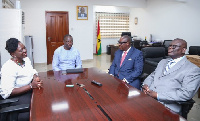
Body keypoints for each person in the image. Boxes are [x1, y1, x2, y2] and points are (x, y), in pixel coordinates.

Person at [142, 38, 200, 115]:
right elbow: (152, 76)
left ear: (183, 50)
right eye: (170, 46)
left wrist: (157, 95)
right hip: (147, 99)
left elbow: (186, 94)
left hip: (167, 106)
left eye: (174, 46)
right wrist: (145, 85)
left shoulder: (192, 69)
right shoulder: (163, 61)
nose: (170, 48)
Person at [0, 38, 43, 120]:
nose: (25, 50)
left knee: (43, 98)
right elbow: (7, 92)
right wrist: (31, 85)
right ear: (13, 54)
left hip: (27, 91)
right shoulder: (8, 67)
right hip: (16, 98)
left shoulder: (26, 60)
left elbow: (32, 71)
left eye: (24, 47)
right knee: (39, 106)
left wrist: (35, 78)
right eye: (21, 50)